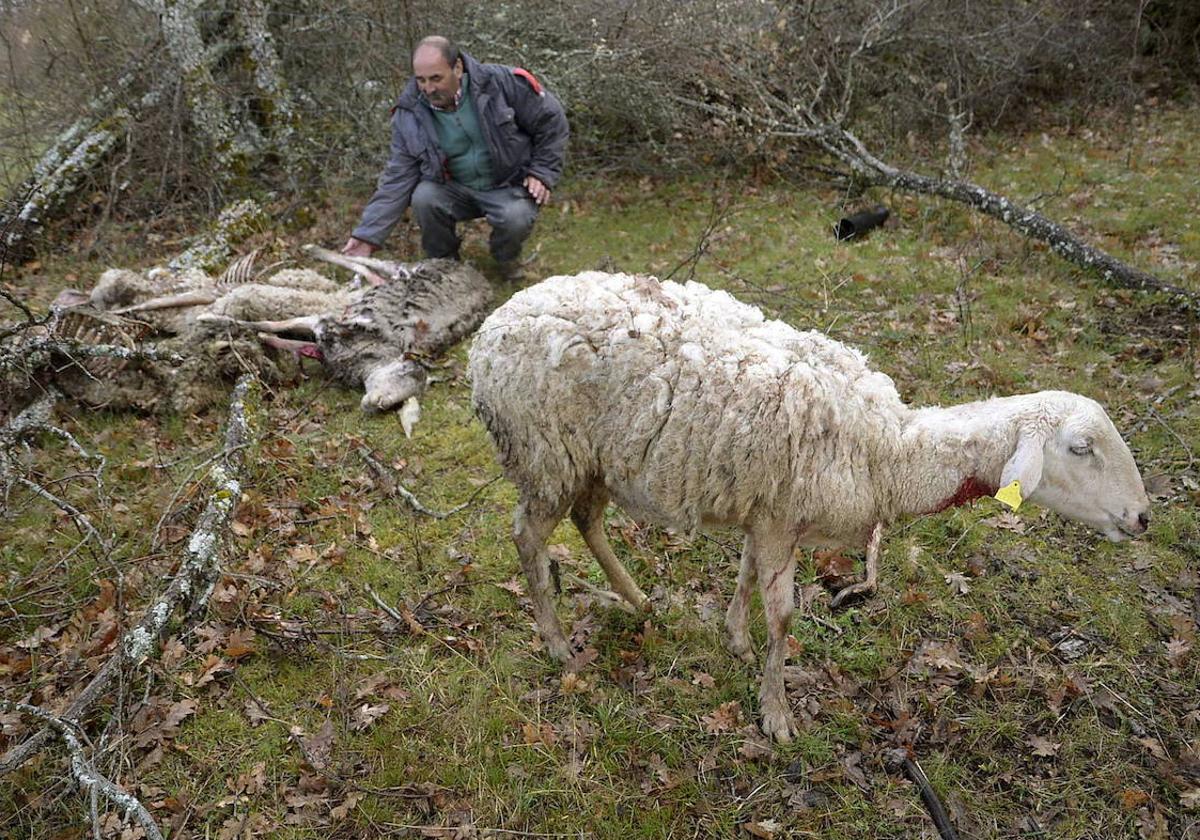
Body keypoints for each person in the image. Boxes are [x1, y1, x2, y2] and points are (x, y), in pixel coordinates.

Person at [342, 36, 569, 282]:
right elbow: (397, 179)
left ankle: (505, 260)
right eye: (421, 80)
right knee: (424, 196)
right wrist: (367, 236)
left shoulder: (503, 83)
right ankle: (443, 265)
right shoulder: (408, 114)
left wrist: (542, 171)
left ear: (458, 68)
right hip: (454, 189)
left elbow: (552, 121)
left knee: (516, 217)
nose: (428, 88)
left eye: (436, 78)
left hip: (507, 185)